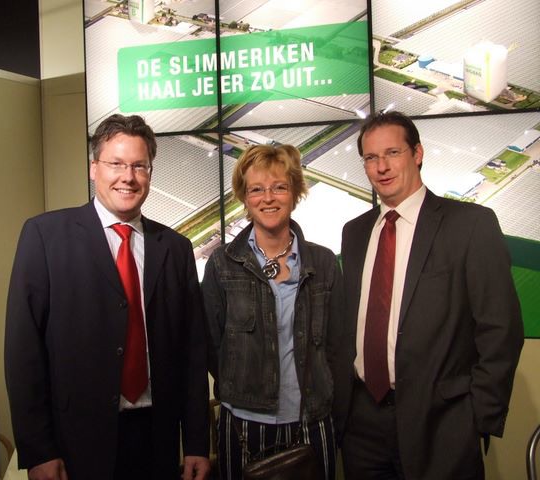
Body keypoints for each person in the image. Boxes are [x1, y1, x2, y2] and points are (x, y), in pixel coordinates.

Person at [4, 114, 210, 480]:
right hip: (76, 443)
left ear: (150, 173)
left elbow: (192, 352)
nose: (128, 176)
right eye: (116, 164)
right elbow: (24, 352)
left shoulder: (175, 248)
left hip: (156, 439)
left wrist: (196, 442)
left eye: (139, 166)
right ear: (93, 168)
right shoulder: (45, 237)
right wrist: (39, 450)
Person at [333, 110, 524, 479]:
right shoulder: (354, 233)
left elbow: (501, 328)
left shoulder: (470, 225)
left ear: (417, 153)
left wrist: (476, 417)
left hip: (442, 425)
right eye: (371, 158)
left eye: (392, 153)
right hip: (362, 426)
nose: (381, 167)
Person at [202, 144, 343, 480]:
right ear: (244, 197)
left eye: (279, 187)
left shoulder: (323, 263)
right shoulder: (222, 264)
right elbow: (210, 344)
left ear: (295, 193)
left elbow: (338, 345)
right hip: (244, 425)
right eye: (256, 189)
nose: (268, 198)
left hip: (312, 420)